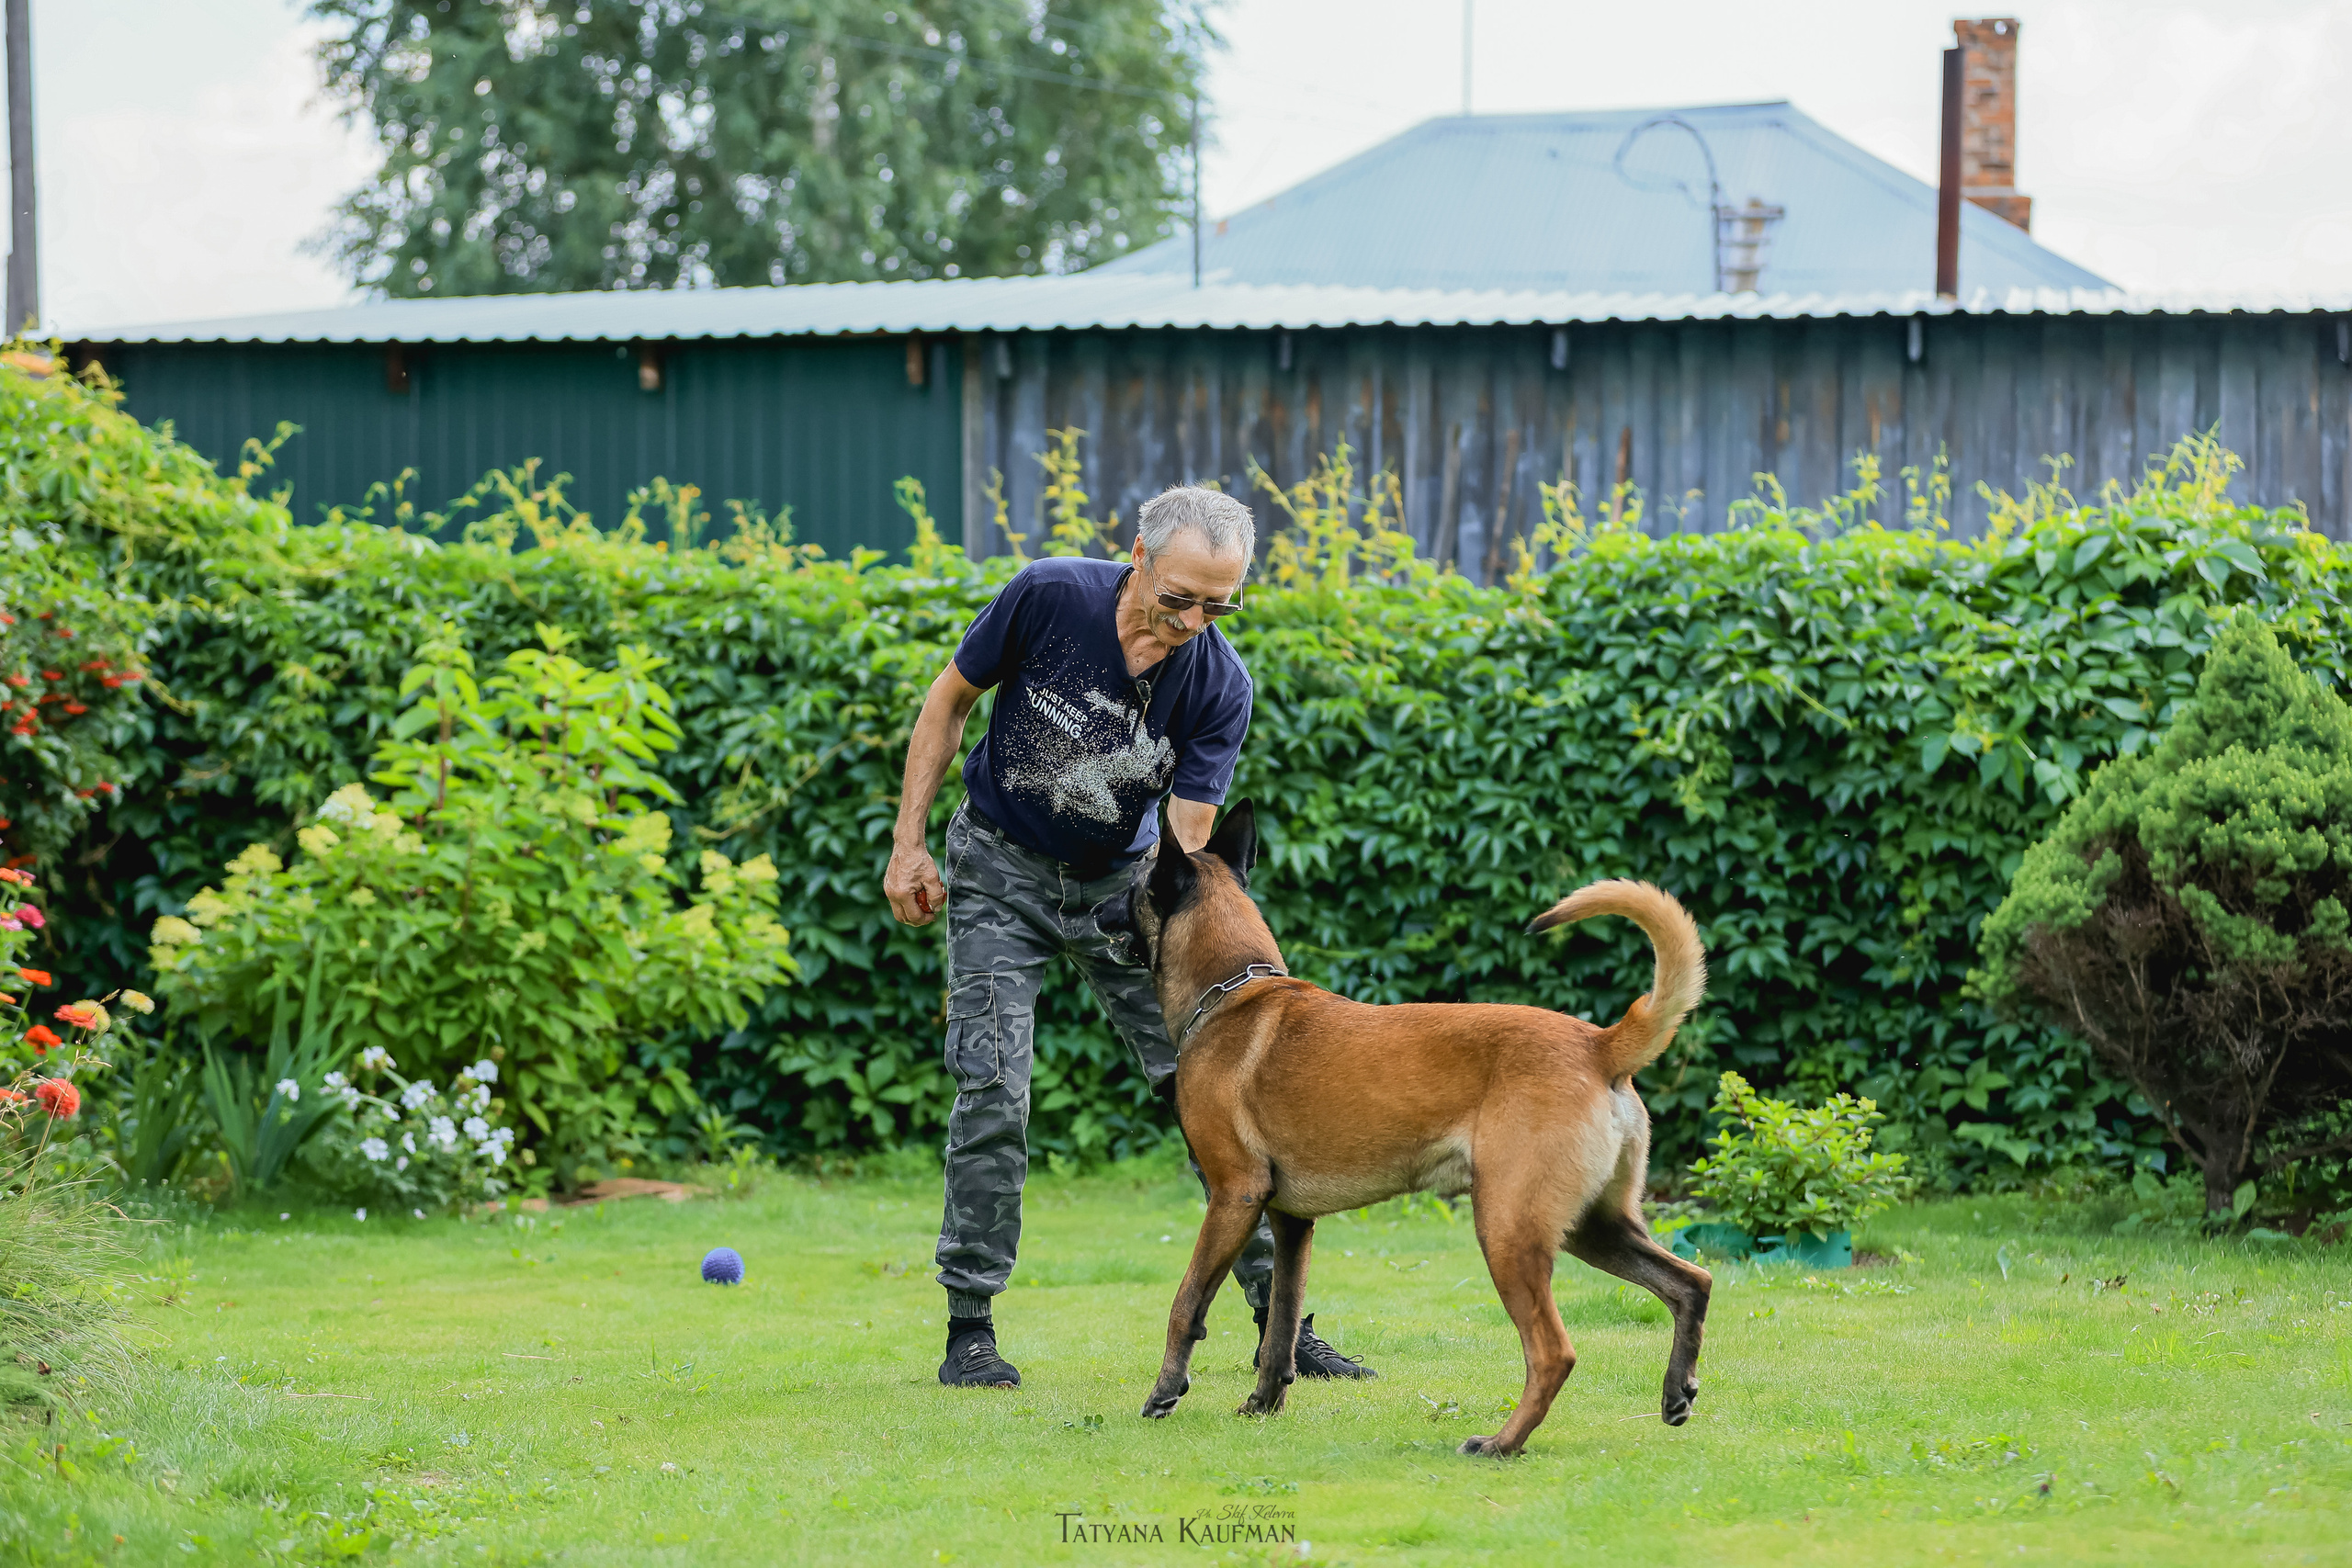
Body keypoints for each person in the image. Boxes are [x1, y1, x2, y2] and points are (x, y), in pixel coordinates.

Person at [885, 485, 1377, 1391]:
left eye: (1221, 603)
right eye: (1182, 596)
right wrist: (908, 841)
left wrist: (1225, 976)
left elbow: (1189, 847)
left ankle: (1282, 1327)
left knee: (1224, 1100)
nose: (1197, 619)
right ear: (1138, 558)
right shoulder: (1048, 597)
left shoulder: (1220, 685)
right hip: (1001, 869)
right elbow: (949, 701)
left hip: (1127, 889)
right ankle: (970, 1333)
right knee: (992, 1085)